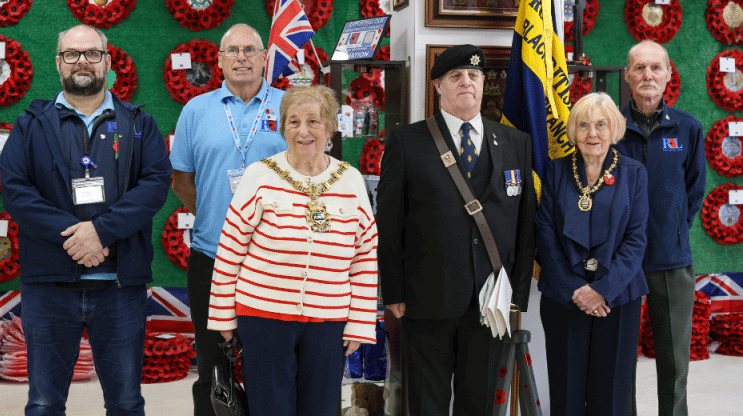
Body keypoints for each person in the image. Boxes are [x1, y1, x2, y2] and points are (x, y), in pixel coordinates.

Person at [0, 24, 172, 416]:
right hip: (48, 288)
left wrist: (100, 231)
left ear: (107, 62)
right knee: (44, 403)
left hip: (119, 288)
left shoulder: (138, 124)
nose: (82, 61)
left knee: (126, 402)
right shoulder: (31, 124)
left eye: (92, 53)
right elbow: (16, 190)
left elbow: (154, 185)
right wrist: (74, 239)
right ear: (58, 63)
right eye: (72, 54)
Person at [376, 44, 536, 415]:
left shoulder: (515, 143)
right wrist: (394, 291)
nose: (467, 82)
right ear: (437, 86)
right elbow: (389, 223)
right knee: (426, 404)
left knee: (479, 404)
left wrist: (518, 294)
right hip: (425, 298)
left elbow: (525, 224)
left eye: (475, 75)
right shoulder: (407, 142)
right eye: (456, 76)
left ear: (484, 84)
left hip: (491, 302)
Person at [206, 85, 378, 416]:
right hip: (263, 316)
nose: (303, 131)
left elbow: (365, 256)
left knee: (321, 407)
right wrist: (224, 318)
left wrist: (359, 322)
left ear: (329, 126)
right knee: (270, 407)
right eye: (294, 121)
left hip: (329, 320)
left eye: (313, 121)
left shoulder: (351, 180)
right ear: (283, 127)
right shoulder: (260, 176)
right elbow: (229, 250)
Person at [170, 23, 289, 415]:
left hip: (273, 261)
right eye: (232, 50)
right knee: (211, 367)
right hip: (212, 257)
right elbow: (182, 180)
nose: (241, 57)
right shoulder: (196, 110)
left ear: (264, 58)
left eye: (250, 49)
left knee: (268, 365)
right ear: (219, 60)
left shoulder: (290, 107)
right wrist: (214, 215)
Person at [536, 92, 649, 415]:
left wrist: (601, 290)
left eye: (601, 125)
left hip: (617, 298)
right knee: (566, 391)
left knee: (611, 395)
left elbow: (636, 239)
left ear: (614, 128)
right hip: (563, 296)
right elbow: (546, 234)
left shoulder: (633, 173)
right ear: (573, 131)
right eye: (583, 126)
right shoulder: (556, 171)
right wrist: (576, 290)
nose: (592, 134)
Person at [616, 40, 706, 416]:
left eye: (655, 68)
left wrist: (672, 232)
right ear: (627, 76)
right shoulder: (611, 127)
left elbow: (695, 189)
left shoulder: (687, 128)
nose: (647, 75)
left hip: (671, 260)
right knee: (620, 358)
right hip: (619, 261)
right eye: (639, 68)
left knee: (673, 359)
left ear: (669, 75)